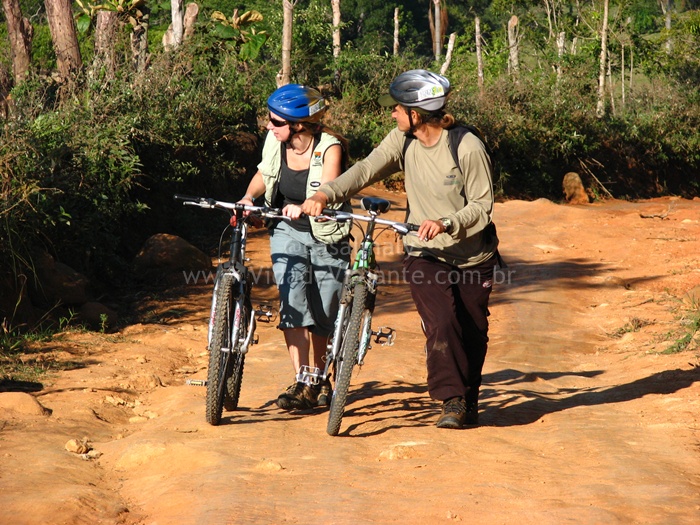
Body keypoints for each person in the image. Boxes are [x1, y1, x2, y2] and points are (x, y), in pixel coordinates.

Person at [301, 70, 499, 429]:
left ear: (416, 114)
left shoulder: (467, 146)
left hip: (473, 256)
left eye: (397, 109)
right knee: (441, 321)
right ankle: (451, 400)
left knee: (472, 331)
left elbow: (483, 206)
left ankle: (468, 398)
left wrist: (446, 222)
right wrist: (324, 194)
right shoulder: (401, 140)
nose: (392, 114)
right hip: (424, 250)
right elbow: (364, 170)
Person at [238, 84, 351, 410]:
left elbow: (328, 186)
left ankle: (321, 376)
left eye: (275, 121)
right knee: (294, 303)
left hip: (328, 235)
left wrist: (306, 204)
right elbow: (265, 172)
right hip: (287, 231)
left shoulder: (329, 147)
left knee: (324, 311)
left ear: (297, 125)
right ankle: (304, 380)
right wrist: (249, 197)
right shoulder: (276, 141)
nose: (268, 127)